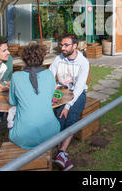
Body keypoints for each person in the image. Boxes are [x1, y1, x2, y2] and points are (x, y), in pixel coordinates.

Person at [8, 43, 60, 149]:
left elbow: (12, 102)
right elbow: (49, 98)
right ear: (42, 59)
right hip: (51, 133)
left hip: (23, 137)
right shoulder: (49, 74)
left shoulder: (16, 76)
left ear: (23, 60)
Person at [49, 33, 89, 171]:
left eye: (66, 45)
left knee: (71, 116)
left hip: (78, 94)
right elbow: (49, 77)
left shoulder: (83, 62)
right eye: (61, 45)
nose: (63, 48)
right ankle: (61, 155)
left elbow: (78, 88)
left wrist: (67, 106)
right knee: (60, 118)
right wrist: (54, 89)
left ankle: (61, 152)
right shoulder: (58, 59)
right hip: (61, 92)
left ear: (75, 46)